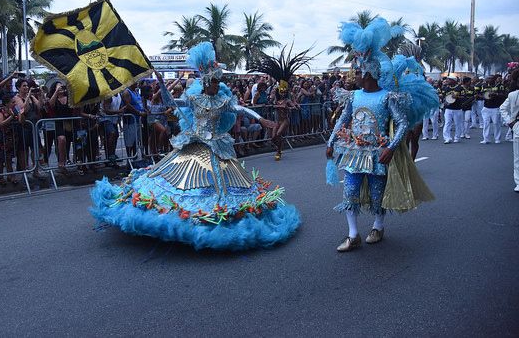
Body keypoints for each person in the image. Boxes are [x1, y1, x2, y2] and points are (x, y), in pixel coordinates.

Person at [91, 42, 300, 251]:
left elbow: (240, 109)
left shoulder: (223, 100)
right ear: (207, 82)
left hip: (217, 146)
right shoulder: (193, 98)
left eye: (219, 83)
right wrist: (163, 85)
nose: (218, 86)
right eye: (215, 82)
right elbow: (170, 102)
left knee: (221, 185)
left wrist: (261, 119)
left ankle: (218, 213)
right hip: (194, 143)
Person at [326, 18, 437, 252]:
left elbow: (403, 123)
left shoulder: (387, 97)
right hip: (354, 152)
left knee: (377, 195)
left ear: (368, 74)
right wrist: (330, 141)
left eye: (357, 71)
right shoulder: (353, 96)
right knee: (350, 192)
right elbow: (343, 120)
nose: (354, 75)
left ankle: (378, 226)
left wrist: (391, 148)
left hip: (378, 154)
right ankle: (353, 234)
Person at [500, 70, 519, 192]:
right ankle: (518, 182)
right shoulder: (513, 95)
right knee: (518, 157)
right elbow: (503, 108)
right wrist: (511, 122)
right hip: (518, 126)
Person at [481, 75, 506, 144]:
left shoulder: (499, 86)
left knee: (496, 123)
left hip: (495, 107)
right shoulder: (484, 86)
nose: (489, 79)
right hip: (486, 107)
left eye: (491, 78)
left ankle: (497, 138)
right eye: (488, 78)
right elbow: (481, 94)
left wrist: (495, 94)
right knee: (486, 123)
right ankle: (486, 139)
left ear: (494, 79)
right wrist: (484, 96)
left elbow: (503, 95)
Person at [442, 76, 464, 144]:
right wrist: (444, 101)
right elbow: (444, 97)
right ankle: (447, 138)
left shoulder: (460, 88)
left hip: (457, 109)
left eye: (449, 79)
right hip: (448, 109)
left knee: (457, 124)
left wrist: (457, 97)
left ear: (453, 80)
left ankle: (457, 137)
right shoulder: (446, 88)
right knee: (447, 123)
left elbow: (463, 97)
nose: (447, 81)